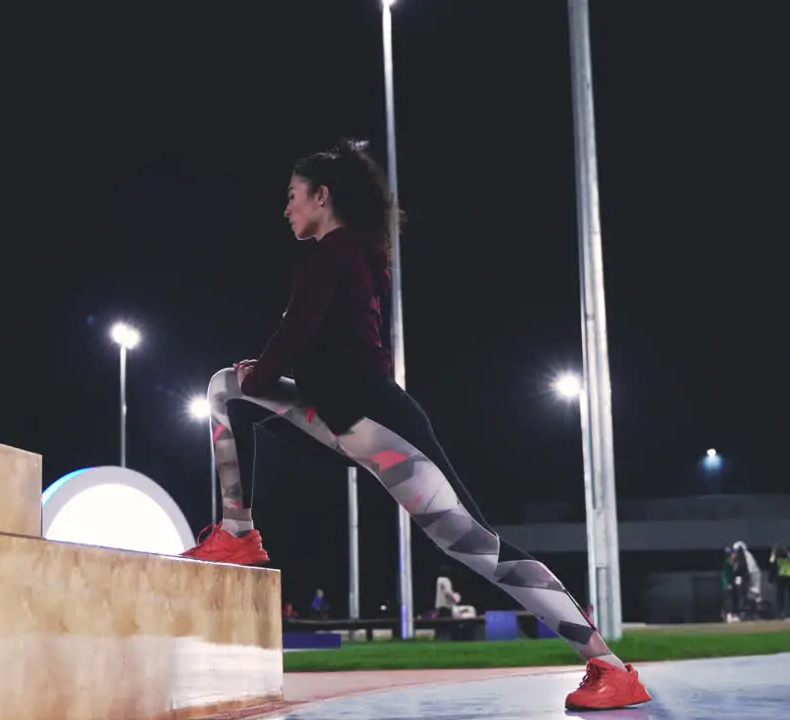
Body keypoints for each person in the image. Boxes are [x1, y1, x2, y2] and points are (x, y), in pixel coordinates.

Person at [180, 138, 651, 711]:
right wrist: (256, 379)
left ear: (322, 197)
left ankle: (608, 666)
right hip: (344, 423)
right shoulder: (346, 254)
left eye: (293, 196)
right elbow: (311, 355)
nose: (287, 208)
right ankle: (237, 535)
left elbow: (292, 342)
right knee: (225, 389)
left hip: (382, 429)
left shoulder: (332, 255)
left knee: (480, 549)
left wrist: (258, 375)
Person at [772, 545, 790, 620]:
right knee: (780, 597)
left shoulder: (787, 556)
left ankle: (786, 613)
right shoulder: (777, 558)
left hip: (787, 577)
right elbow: (773, 565)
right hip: (781, 578)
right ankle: (780, 613)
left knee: (783, 596)